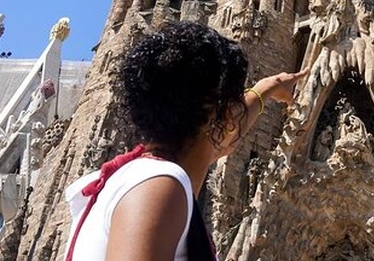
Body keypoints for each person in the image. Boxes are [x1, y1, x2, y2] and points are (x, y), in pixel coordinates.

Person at [64, 21, 306, 260]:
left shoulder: (136, 175)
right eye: (235, 103)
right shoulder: (158, 186)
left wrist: (268, 88)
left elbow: (226, 129)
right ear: (224, 115)